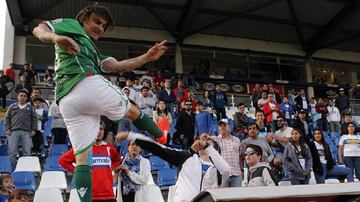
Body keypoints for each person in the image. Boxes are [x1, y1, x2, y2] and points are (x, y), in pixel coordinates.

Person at [32, 4, 166, 201]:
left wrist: (147, 57)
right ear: (84, 19)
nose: (100, 28)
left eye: (104, 26)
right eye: (97, 22)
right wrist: (55, 38)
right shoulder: (72, 26)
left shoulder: (95, 53)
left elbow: (119, 66)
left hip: (66, 101)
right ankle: (161, 137)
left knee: (82, 159)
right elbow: (38, 29)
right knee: (132, 110)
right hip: (83, 82)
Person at [115, 132, 230, 202]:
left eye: (208, 143)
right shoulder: (186, 158)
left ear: (215, 151)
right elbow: (158, 148)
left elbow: (226, 171)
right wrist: (132, 136)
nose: (202, 143)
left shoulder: (218, 169)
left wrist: (207, 147)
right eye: (202, 142)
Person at [59, 121, 121, 202]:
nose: (99, 131)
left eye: (101, 129)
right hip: (90, 195)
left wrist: (112, 170)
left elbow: (117, 161)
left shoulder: (110, 148)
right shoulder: (83, 148)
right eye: (96, 129)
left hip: (109, 194)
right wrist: (80, 172)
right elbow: (63, 161)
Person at [5, 89, 37, 168]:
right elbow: (7, 118)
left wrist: (33, 130)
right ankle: (11, 169)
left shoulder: (30, 108)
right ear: (18, 97)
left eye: (24, 96)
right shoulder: (12, 106)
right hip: (13, 131)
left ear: (27, 98)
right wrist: (7, 129)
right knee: (12, 152)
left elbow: (34, 119)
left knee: (27, 151)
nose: (22, 97)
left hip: (27, 132)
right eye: (21, 96)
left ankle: (25, 169)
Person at [211, 119, 242, 187]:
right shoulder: (215, 139)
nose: (222, 127)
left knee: (237, 197)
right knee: (223, 196)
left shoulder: (237, 140)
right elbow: (203, 139)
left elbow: (240, 156)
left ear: (229, 127)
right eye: (220, 126)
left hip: (236, 173)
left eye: (224, 125)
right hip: (222, 174)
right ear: (218, 128)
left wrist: (241, 170)